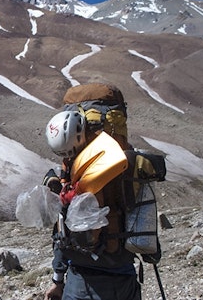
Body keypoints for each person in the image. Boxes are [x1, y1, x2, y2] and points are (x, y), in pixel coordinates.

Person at [43, 110, 141, 300]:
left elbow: (63, 234)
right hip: (125, 274)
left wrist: (57, 280)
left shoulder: (81, 180)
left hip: (84, 281)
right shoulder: (117, 160)